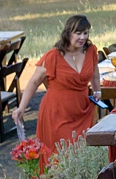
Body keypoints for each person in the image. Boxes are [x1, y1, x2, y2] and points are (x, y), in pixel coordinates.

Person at [16, 14, 102, 152]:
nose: (83, 37)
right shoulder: (53, 56)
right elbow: (33, 82)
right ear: (68, 33)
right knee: (59, 155)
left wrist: (97, 90)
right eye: (78, 33)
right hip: (57, 114)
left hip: (82, 110)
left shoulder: (91, 51)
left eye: (85, 33)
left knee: (82, 153)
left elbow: (95, 72)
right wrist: (21, 108)